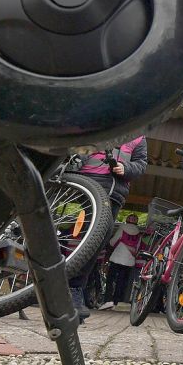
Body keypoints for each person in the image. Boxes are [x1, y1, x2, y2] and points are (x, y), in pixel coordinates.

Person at [67, 137, 147, 321]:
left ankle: (74, 289)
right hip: (83, 181)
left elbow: (141, 164)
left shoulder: (140, 137)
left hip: (113, 191)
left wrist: (126, 169)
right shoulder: (105, 117)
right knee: (81, 237)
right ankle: (68, 288)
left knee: (96, 243)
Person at [97, 213, 142, 312]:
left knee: (110, 280)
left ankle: (108, 301)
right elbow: (137, 248)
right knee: (121, 282)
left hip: (117, 258)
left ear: (127, 219)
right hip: (129, 261)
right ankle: (117, 302)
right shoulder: (138, 233)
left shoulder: (122, 229)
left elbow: (112, 242)